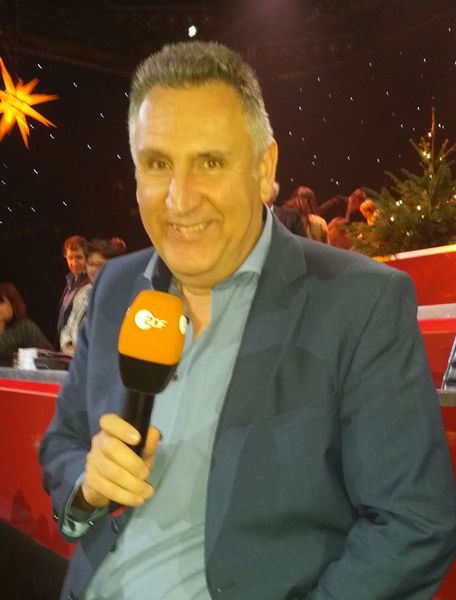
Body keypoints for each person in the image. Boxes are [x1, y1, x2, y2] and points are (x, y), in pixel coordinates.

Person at [39, 41, 455, 600]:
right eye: (158, 164)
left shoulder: (360, 303)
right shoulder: (113, 287)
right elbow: (64, 440)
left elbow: (413, 524)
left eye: (210, 162)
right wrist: (87, 488)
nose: (180, 200)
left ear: (264, 169)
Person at [60, 238, 126, 356]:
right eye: (91, 264)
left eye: (101, 265)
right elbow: (68, 328)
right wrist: (68, 347)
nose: (94, 270)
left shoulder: (123, 297)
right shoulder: (83, 293)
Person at [0, 282, 53, 366]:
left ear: (13, 303)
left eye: (1, 302)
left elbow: (49, 355)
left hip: (16, 373)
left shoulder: (25, 327)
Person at [56, 235, 89, 339]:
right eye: (70, 258)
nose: (74, 263)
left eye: (79, 257)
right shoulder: (69, 283)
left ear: (87, 257)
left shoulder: (90, 283)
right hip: (66, 344)